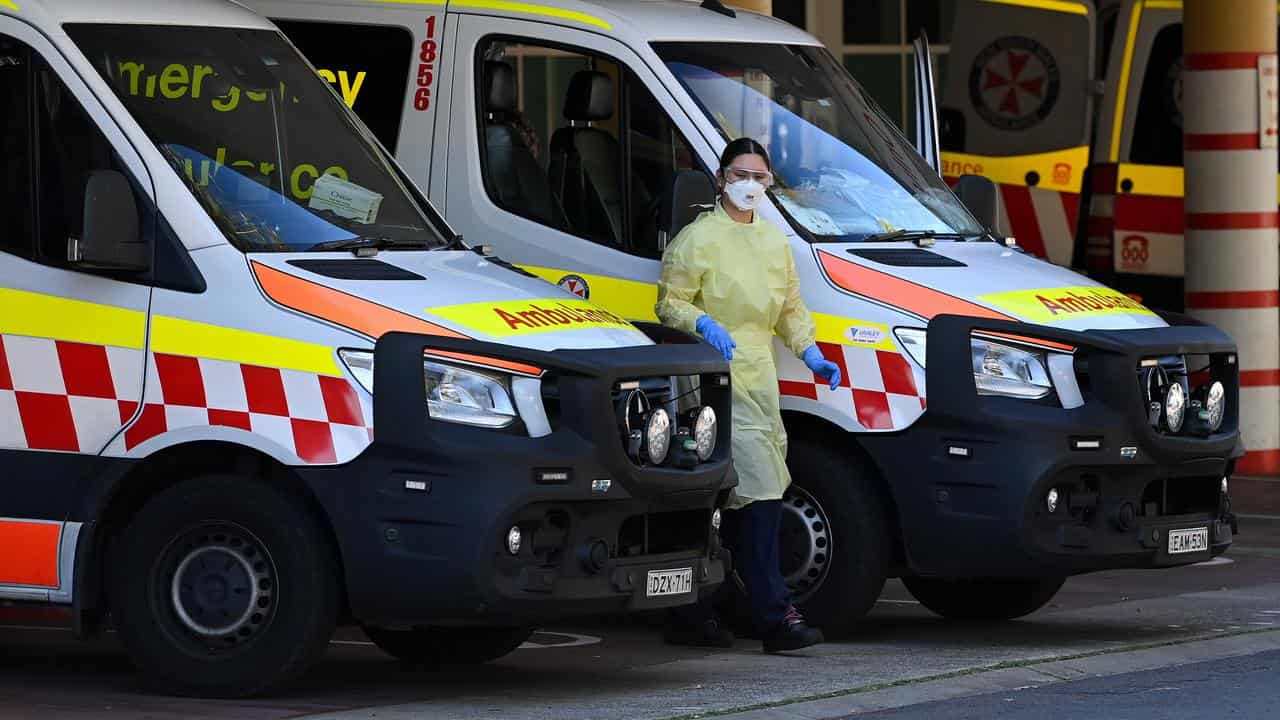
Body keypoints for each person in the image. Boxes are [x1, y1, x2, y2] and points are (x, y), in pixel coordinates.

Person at [656, 138, 841, 653]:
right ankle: (774, 616)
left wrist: (811, 353)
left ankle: (698, 612)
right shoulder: (698, 240)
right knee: (742, 495)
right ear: (721, 179)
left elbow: (791, 311)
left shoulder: (774, 243)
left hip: (758, 377)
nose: (751, 186)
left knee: (748, 496)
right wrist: (702, 321)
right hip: (708, 380)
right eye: (741, 175)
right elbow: (669, 302)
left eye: (761, 178)